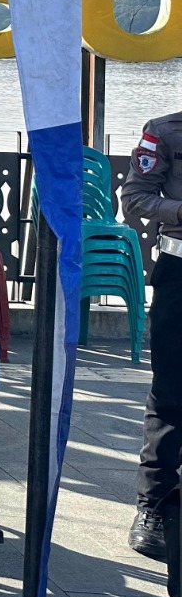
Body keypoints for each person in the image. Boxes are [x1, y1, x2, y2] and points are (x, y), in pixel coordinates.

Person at [121, 111, 182, 560]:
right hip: (179, 272)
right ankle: (154, 508)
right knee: (170, 394)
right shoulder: (165, 131)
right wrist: (178, 210)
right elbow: (134, 197)